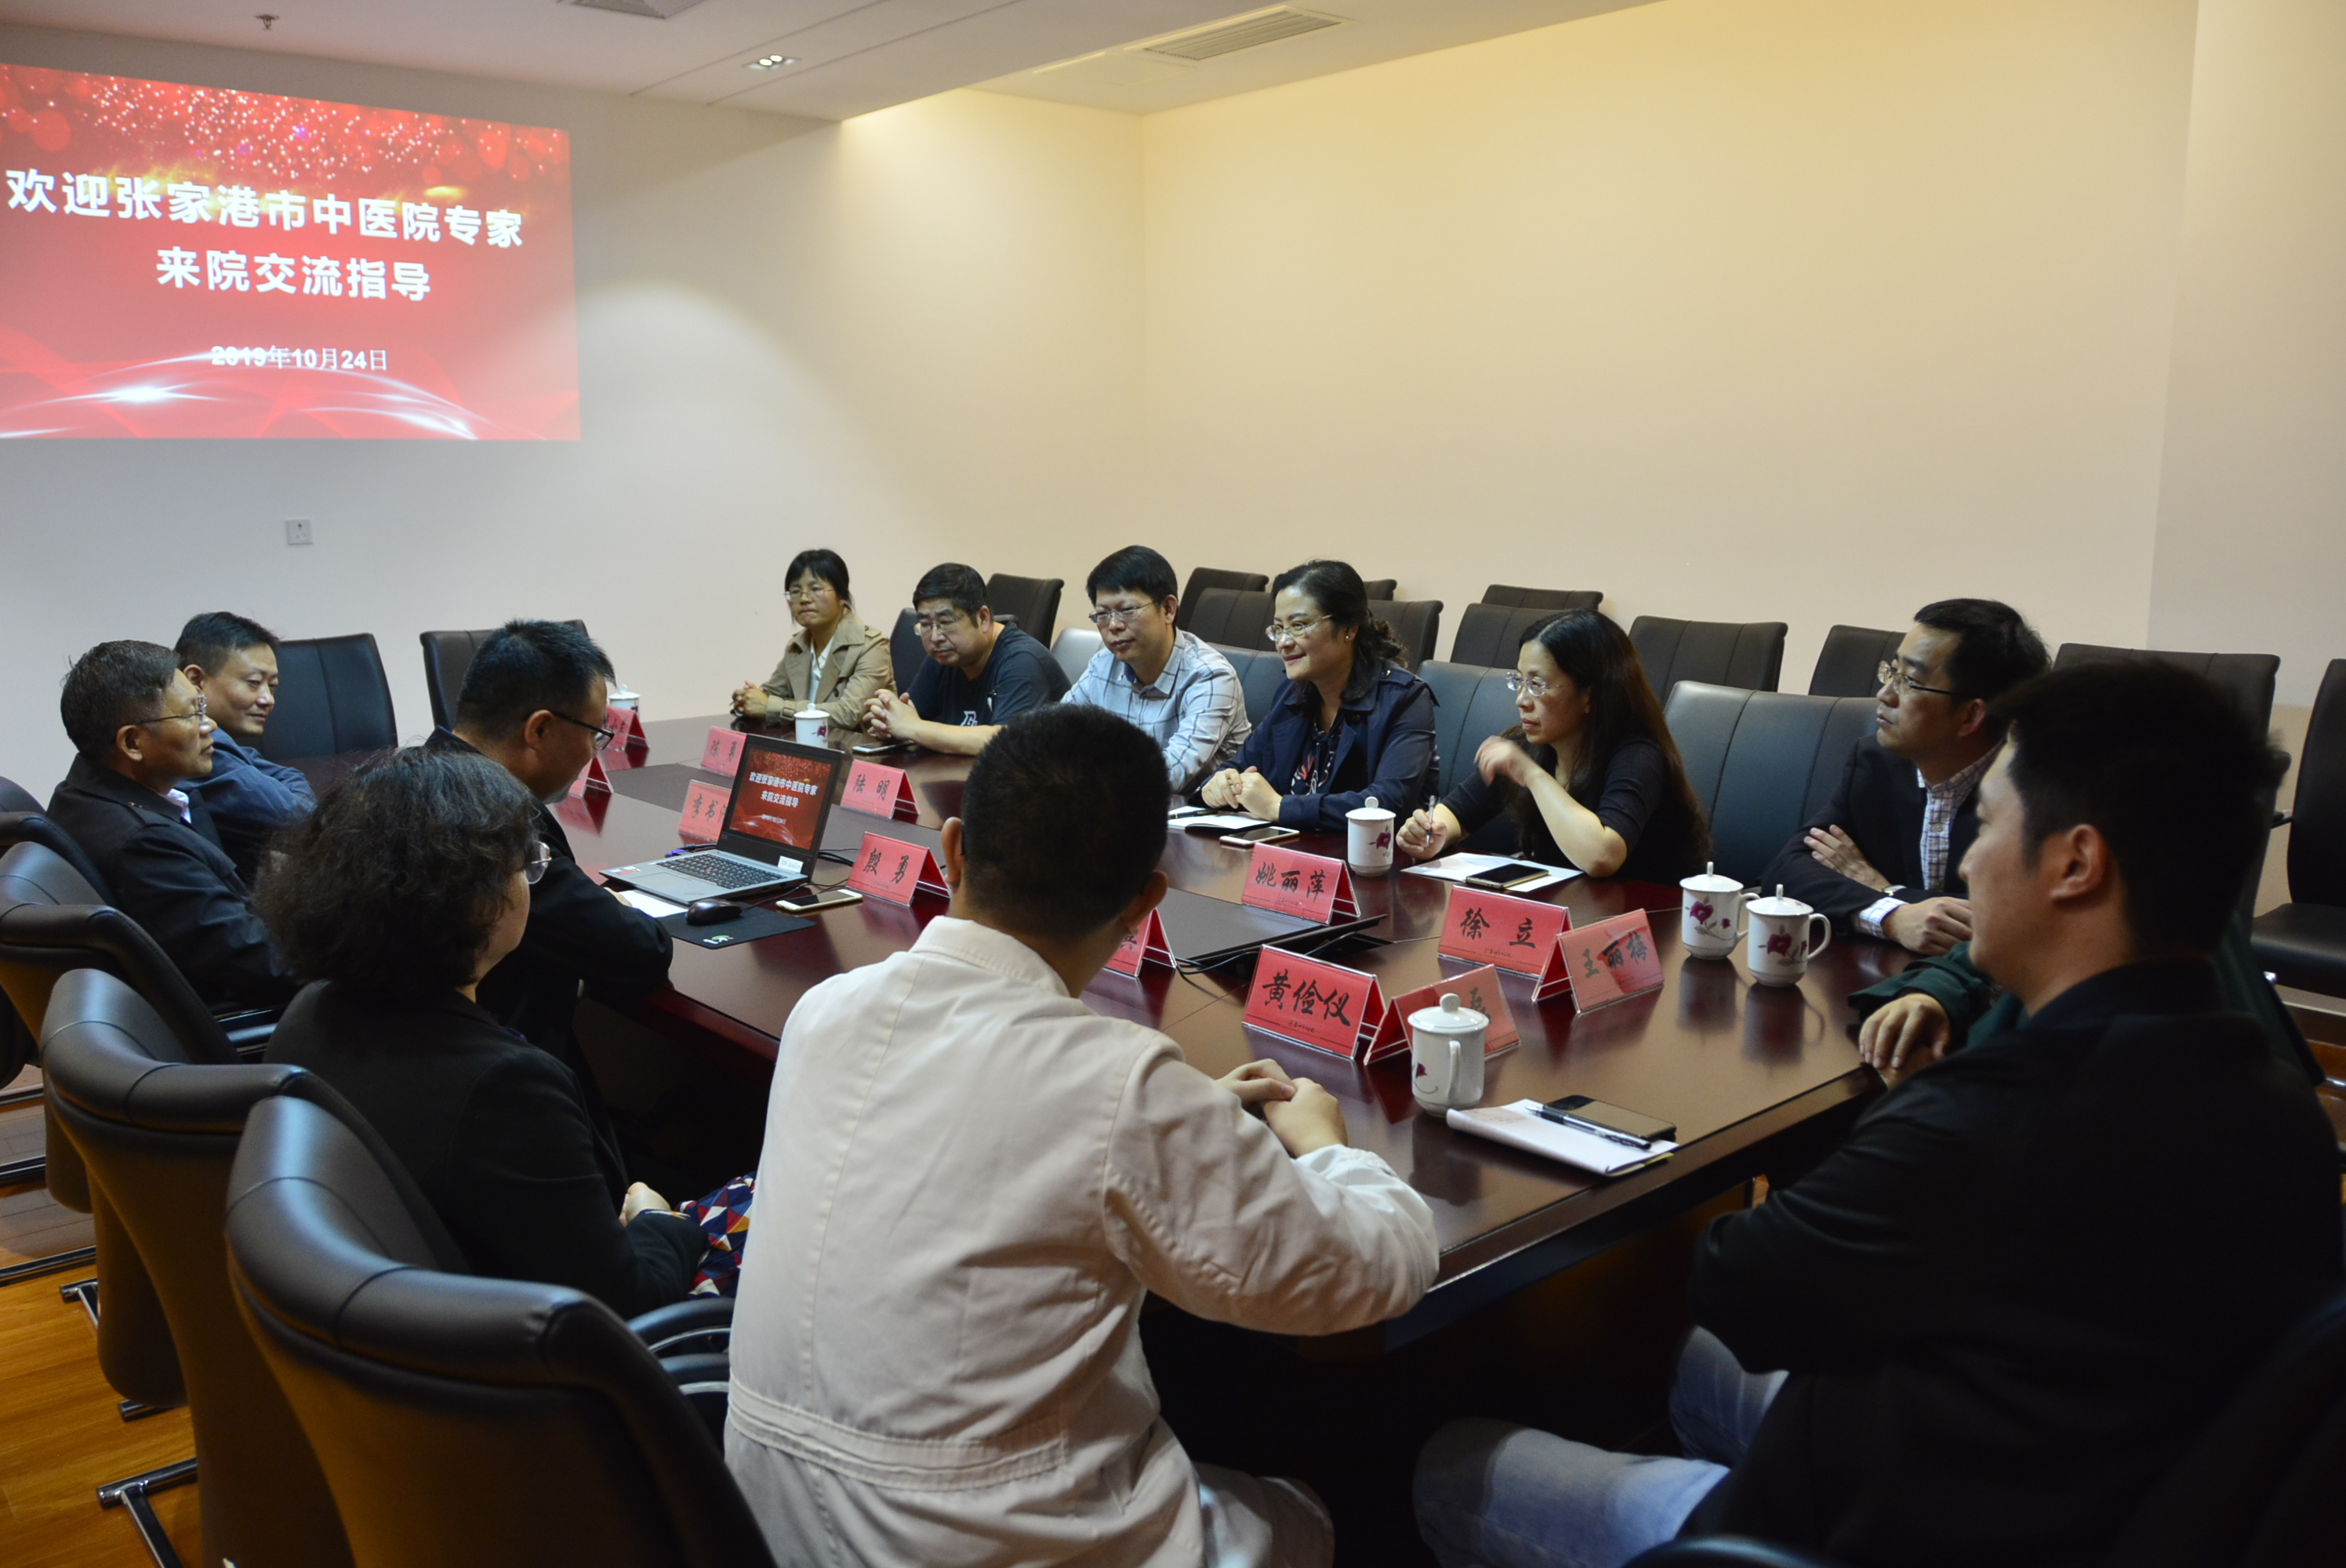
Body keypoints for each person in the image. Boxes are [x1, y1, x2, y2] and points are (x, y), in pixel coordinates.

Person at [1414, 662, 2342, 1568]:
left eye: (1990, 824)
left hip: (1884, 1519)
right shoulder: (2280, 1103)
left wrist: (1904, 1128)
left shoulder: (1991, 1115)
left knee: (1446, 1461)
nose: (1968, 860)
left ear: (2075, 863)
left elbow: (1742, 1283)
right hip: (2068, 1475)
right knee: (1689, 1358)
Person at [726, 705, 1438, 1568]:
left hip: (762, 1522)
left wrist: (1183, 1122)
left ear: (952, 849)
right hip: (978, 1544)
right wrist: (1328, 1146)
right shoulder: (1116, 1086)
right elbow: (1372, 1267)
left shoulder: (824, 1011)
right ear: (1145, 902)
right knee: (1332, 1507)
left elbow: (982, 1139)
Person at [259, 747, 714, 1316]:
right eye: (527, 867)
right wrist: (659, 1221)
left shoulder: (311, 1010)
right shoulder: (505, 1086)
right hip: (532, 1354)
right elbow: (627, 1301)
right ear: (479, 903)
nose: (531, 882)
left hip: (393, 1320)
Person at [425, 621, 671, 1088]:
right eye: (595, 734)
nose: (594, 753)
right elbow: (638, 951)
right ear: (539, 729)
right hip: (503, 1084)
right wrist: (614, 904)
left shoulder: (418, 779)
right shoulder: (494, 824)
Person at [1760, 599, 2048, 955]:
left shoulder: (2029, 794)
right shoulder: (1876, 761)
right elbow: (1787, 871)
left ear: (1970, 716)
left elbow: (2011, 920)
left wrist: (1887, 891)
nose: (1884, 694)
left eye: (1909, 681)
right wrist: (1892, 916)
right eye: (1892, 672)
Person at [46, 640, 296, 1008]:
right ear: (133, 742)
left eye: (203, 707)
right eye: (192, 714)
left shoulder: (80, 793)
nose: (209, 725)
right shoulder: (143, 844)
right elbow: (266, 966)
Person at [1397, 609, 1706, 881]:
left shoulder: (1639, 754)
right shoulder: (1528, 745)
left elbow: (1602, 856)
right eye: (1520, 681)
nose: (1521, 700)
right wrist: (1430, 834)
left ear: (1590, 695)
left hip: (1644, 918)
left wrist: (1530, 774)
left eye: (1537, 684)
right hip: (1566, 909)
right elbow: (1456, 813)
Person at [1198, 560, 1436, 830]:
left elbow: (1387, 803)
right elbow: (1241, 765)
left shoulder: (1405, 698)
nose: (1284, 642)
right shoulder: (1293, 691)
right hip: (1291, 847)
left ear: (1349, 628)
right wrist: (1218, 786)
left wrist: (1279, 807)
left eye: (1299, 625)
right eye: (1278, 628)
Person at [1061, 544, 1251, 792]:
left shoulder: (1210, 676)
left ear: (1168, 609)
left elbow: (1169, 774)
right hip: (1120, 806)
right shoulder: (1103, 665)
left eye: (1127, 610)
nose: (1114, 625)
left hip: (1202, 813)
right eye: (1103, 614)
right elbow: (1054, 738)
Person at [861, 562, 1070, 754]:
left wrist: (912, 727)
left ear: (983, 618)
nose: (935, 637)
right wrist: (889, 721)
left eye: (946, 622)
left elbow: (1006, 741)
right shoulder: (945, 656)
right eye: (925, 625)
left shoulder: (1023, 661)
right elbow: (912, 717)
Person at [173, 612, 314, 880]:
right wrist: (292, 797)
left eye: (272, 686)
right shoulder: (198, 748)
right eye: (254, 683)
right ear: (195, 681)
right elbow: (306, 820)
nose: (268, 699)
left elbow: (289, 775)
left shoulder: (222, 743)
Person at [730, 548, 895, 731]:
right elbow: (772, 693)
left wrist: (771, 707)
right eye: (795, 591)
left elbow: (848, 714)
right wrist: (748, 699)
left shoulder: (871, 646)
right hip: (808, 744)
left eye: (815, 589)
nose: (804, 599)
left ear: (842, 596)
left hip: (855, 746)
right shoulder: (797, 646)